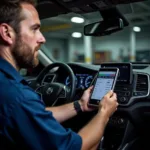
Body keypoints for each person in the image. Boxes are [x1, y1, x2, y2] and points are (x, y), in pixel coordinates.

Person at [0, 0, 118, 150]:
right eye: (34, 29)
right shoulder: (17, 96)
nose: (42, 38)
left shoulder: (8, 89)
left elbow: (35, 116)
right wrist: (104, 113)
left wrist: (80, 105)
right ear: (7, 33)